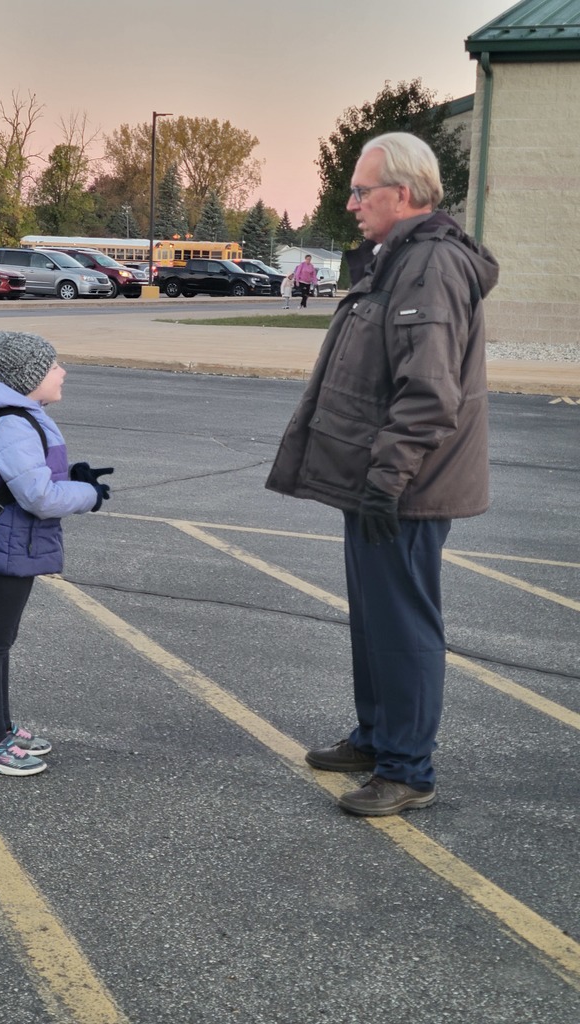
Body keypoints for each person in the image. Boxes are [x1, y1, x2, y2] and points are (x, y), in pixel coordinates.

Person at [266, 133, 498, 816]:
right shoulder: (395, 259)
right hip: (376, 483)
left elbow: (428, 395)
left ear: (402, 193)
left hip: (405, 489)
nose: (352, 201)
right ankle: (376, 739)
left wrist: (385, 481)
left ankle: (407, 768)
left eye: (362, 190)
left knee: (403, 626)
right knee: (373, 621)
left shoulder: (430, 267)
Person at [0, 329, 112, 777]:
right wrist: (89, 494)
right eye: (53, 366)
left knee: (1, 642)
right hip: (7, 547)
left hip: (13, 544)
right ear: (26, 377)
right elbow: (39, 497)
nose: (62, 372)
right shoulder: (11, 423)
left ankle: (2, 729)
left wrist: (75, 476)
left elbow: (34, 477)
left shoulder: (22, 414)